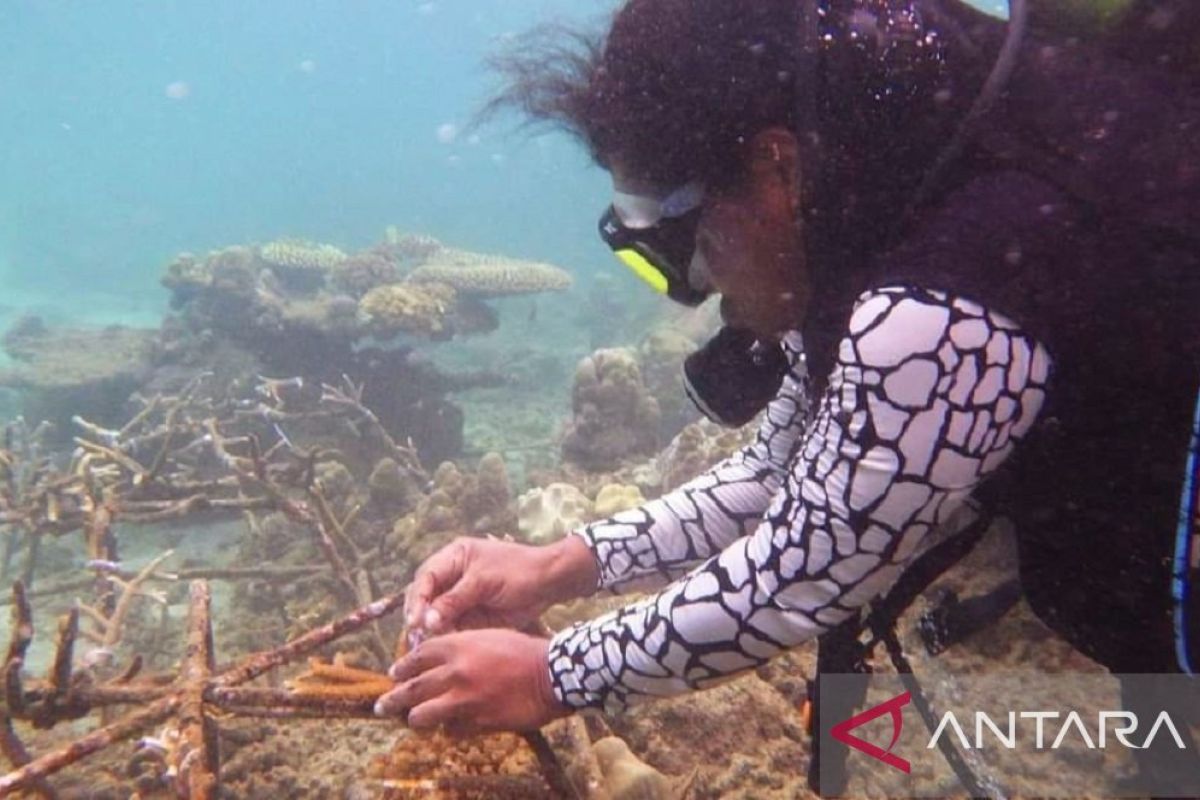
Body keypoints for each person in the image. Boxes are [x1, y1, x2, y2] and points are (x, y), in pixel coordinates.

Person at [376, 0, 1200, 786]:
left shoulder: (947, 297)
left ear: (776, 167)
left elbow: (805, 571)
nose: (690, 287)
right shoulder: (897, 204)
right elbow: (778, 475)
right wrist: (557, 565)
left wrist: (552, 676)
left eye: (679, 241)